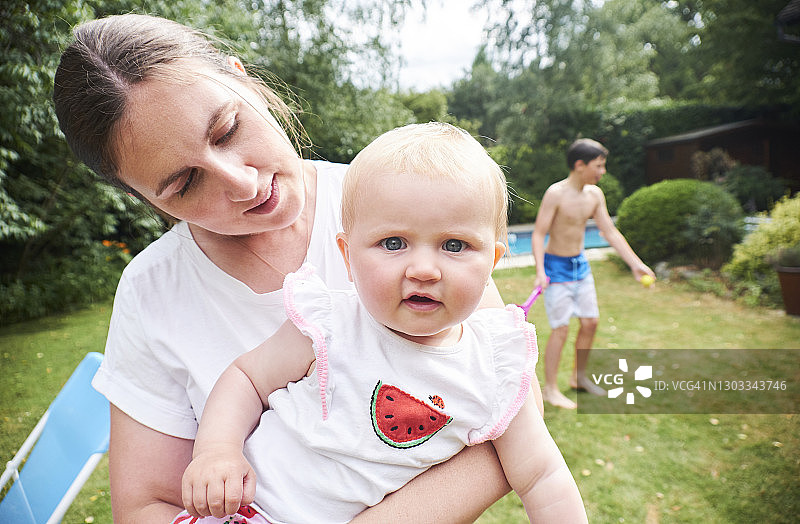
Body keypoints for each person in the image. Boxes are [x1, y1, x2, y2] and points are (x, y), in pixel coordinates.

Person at [52, 14, 542, 523]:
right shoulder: (151, 290)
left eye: (228, 129)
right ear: (141, 197)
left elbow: (511, 407)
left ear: (244, 80)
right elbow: (146, 505)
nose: (242, 183)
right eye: (185, 183)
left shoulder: (403, 204)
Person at [179, 123, 588, 523]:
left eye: (455, 245)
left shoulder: (496, 369)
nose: (424, 269)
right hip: (245, 509)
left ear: (492, 263)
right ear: (347, 257)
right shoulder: (329, 325)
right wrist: (217, 451)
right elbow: (246, 380)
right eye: (393, 243)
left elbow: (542, 476)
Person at [532, 138, 655, 409]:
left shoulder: (595, 195)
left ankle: (578, 378)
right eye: (598, 165)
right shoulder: (556, 194)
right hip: (556, 268)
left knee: (590, 323)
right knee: (561, 329)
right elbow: (539, 233)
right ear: (580, 165)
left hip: (580, 266)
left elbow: (609, 231)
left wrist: (635, 264)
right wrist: (540, 271)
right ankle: (550, 389)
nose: (603, 171)